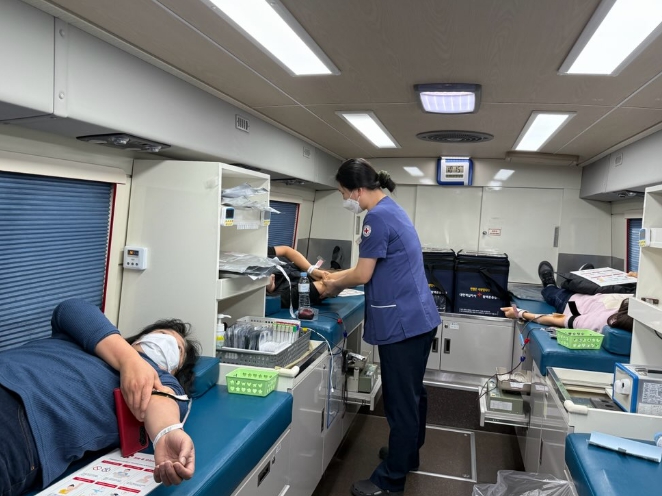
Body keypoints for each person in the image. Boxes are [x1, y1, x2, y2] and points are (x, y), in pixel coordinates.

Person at [320, 158, 440, 496]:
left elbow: (362, 274)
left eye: (343, 193)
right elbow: (370, 269)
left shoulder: (375, 219)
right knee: (412, 394)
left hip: (403, 324)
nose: (345, 200)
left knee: (401, 401)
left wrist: (332, 283)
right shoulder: (392, 210)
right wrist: (336, 277)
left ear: (358, 190)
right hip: (418, 319)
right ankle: (407, 454)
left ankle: (390, 481)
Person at [0, 298, 201, 496]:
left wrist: (166, 432)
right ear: (140, 338)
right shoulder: (87, 338)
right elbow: (71, 308)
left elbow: (162, 401)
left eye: (178, 349)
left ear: (176, 369)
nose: (166, 343)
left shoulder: (163, 378)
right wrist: (129, 360)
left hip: (28, 419)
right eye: (162, 334)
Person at [501, 261, 633, 332]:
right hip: (600, 294)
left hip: (573, 303)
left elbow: (557, 319)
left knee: (553, 293)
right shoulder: (634, 300)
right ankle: (582, 278)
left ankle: (549, 283)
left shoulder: (596, 322)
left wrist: (520, 313)